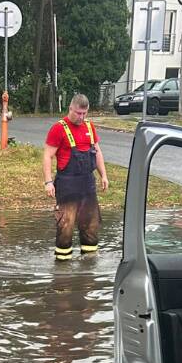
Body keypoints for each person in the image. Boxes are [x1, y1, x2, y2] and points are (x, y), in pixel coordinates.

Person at [43, 94, 109, 261]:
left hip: (87, 184)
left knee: (91, 226)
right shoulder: (58, 128)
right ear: (70, 108)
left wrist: (104, 176)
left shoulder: (89, 127)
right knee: (66, 226)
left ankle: (89, 265)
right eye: (78, 113)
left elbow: (98, 152)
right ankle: (62, 270)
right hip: (67, 185)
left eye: (84, 113)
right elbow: (48, 156)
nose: (81, 117)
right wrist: (48, 182)